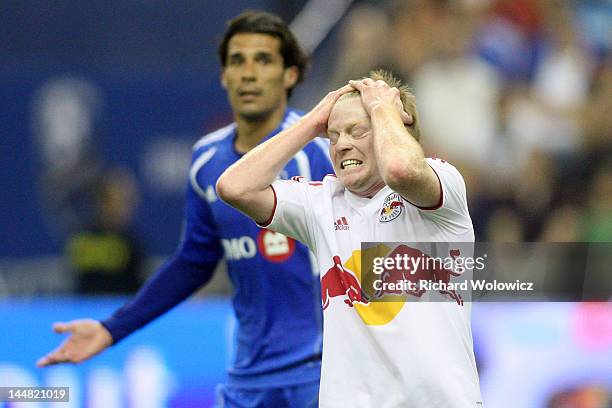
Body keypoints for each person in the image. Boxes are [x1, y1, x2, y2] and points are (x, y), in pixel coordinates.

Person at [37, 10, 333, 407]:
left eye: (263, 60)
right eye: (237, 61)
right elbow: (193, 262)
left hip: (320, 373)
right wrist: (111, 330)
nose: (248, 73)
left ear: (291, 75)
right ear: (223, 76)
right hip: (248, 377)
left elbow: (371, 242)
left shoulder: (319, 153)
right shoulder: (206, 160)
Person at [217, 70, 483, 406]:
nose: (342, 144)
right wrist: (313, 122)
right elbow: (234, 187)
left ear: (396, 126)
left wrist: (384, 108)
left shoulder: (441, 185)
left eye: (358, 130)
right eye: (333, 136)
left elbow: (400, 169)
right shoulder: (321, 204)